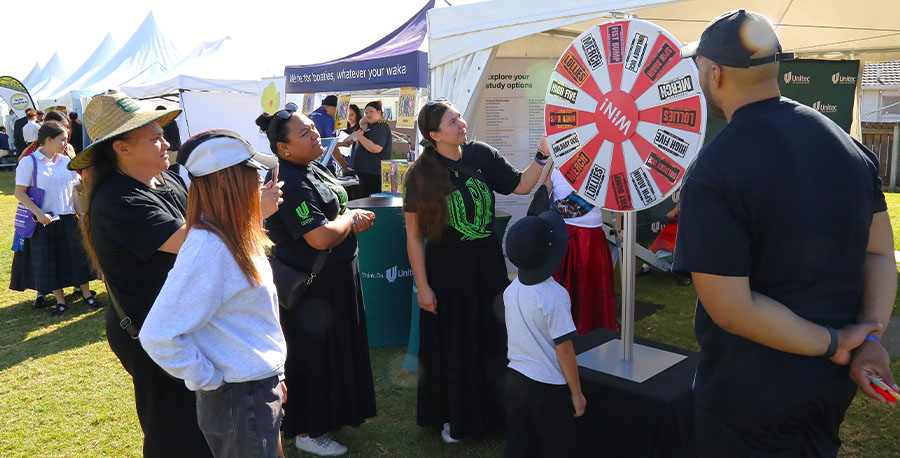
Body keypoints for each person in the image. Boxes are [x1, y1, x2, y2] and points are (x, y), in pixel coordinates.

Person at [674, 10, 898, 458]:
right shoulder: (848, 146)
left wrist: (835, 345)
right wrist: (868, 339)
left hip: (748, 396)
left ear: (715, 73)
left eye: (699, 69)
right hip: (828, 390)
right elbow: (879, 253)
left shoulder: (715, 170)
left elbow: (731, 308)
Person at [72, 90, 284, 458]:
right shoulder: (117, 199)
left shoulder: (166, 181)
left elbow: (202, 228)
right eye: (153, 137)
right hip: (152, 332)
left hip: (185, 322)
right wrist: (251, 211)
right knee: (174, 432)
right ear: (121, 148)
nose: (165, 143)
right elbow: (193, 241)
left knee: (204, 429)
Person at [403, 98, 549, 442]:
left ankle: (494, 412)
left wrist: (542, 154)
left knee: (492, 337)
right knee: (456, 344)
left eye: (459, 118)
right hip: (448, 271)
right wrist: (422, 287)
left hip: (487, 266)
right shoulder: (421, 174)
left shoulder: (482, 154)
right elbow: (413, 236)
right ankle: (455, 416)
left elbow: (522, 185)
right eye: (453, 122)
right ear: (435, 133)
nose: (462, 124)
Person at [140, 130, 286, 458]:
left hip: (253, 387)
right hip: (239, 396)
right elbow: (159, 335)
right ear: (225, 182)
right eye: (252, 173)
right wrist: (210, 380)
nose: (260, 183)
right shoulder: (210, 248)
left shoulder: (233, 236)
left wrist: (272, 373)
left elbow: (255, 319)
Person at [256, 103, 377, 456]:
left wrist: (348, 220)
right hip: (313, 287)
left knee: (337, 352)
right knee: (314, 357)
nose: (314, 135)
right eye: (305, 133)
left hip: (336, 278)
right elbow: (320, 237)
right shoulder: (287, 181)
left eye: (313, 128)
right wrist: (351, 220)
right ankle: (308, 430)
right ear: (284, 147)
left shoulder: (310, 167)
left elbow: (335, 212)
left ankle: (332, 416)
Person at [503, 211, 585, 458]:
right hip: (548, 387)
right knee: (555, 445)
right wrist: (577, 393)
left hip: (514, 379)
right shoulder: (555, 296)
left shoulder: (512, 289)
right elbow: (564, 350)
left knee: (519, 443)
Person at [12, 121, 97, 316]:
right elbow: (19, 192)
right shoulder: (29, 162)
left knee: (79, 258)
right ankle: (60, 301)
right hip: (45, 220)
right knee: (51, 261)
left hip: (68, 218)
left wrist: (82, 214)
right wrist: (38, 213)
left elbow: (74, 190)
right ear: (48, 140)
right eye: (63, 139)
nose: (66, 143)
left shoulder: (65, 161)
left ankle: (87, 294)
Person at [548, 168, 618, 334]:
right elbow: (543, 191)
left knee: (588, 291)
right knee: (562, 291)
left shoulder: (599, 158)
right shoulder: (553, 159)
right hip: (562, 232)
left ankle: (589, 333)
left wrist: (620, 225)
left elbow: (615, 195)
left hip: (589, 234)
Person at [353, 101, 392, 197]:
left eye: (371, 112)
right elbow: (362, 122)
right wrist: (369, 116)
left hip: (373, 173)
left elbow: (376, 148)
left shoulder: (381, 126)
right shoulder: (372, 125)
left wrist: (360, 137)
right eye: (366, 113)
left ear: (379, 112)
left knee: (372, 201)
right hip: (366, 172)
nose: (368, 115)